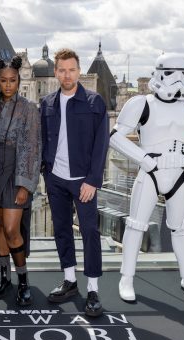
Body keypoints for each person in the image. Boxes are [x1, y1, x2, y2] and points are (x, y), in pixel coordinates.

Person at [110, 53, 184, 302]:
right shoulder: (141, 104)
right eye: (173, 72)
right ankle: (126, 278)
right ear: (160, 73)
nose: (179, 79)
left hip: (180, 172)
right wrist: (145, 160)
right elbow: (115, 136)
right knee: (136, 224)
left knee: (181, 228)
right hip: (151, 171)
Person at [40, 48, 109, 317]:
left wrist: (92, 180)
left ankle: (93, 289)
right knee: (61, 230)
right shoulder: (47, 103)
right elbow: (45, 140)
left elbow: (101, 144)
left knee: (90, 232)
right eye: (62, 70)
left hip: (83, 182)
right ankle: (69, 280)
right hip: (56, 179)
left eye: (71, 69)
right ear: (56, 72)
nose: (67, 74)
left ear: (78, 71)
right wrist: (47, 173)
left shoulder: (94, 102)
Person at [0, 56, 41, 306]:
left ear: (19, 80)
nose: (8, 85)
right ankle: (4, 278)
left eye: (13, 80)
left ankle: (23, 281)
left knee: (13, 228)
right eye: (3, 80)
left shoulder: (29, 108)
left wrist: (25, 184)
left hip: (16, 171)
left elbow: (32, 147)